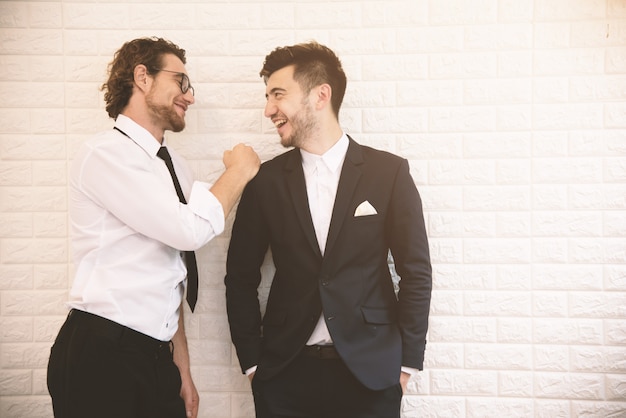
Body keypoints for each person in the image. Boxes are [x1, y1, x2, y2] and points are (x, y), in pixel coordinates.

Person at [47, 37, 260, 418]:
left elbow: (171, 269)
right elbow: (189, 232)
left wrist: (182, 368)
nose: (189, 96)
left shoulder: (175, 164)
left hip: (154, 354)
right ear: (142, 77)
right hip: (102, 353)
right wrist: (239, 171)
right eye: (181, 81)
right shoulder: (105, 155)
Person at [224, 41, 432, 418]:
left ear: (321, 95)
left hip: (371, 375)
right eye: (267, 96)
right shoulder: (265, 182)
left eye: (278, 94)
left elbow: (415, 272)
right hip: (284, 375)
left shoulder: (389, 173)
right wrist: (254, 365)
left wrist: (406, 366)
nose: (269, 108)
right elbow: (239, 277)